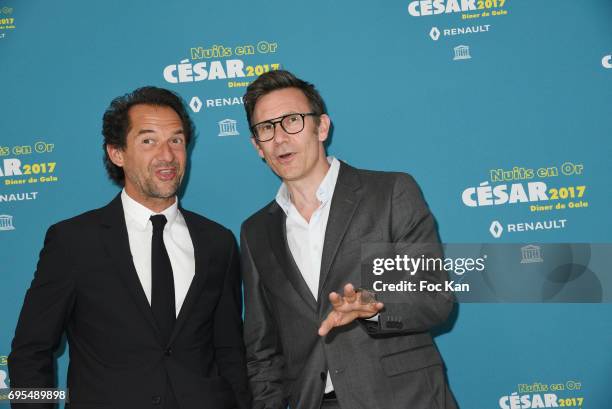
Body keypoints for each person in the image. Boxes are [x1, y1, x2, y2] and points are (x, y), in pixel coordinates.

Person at [9, 87, 250, 409]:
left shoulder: (217, 241)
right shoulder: (73, 242)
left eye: (176, 140)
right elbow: (29, 352)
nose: (167, 155)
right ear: (117, 153)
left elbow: (229, 352)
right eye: (148, 141)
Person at [240, 70, 457, 409]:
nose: (279, 137)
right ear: (257, 146)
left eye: (292, 121)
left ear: (321, 127)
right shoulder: (256, 231)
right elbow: (262, 349)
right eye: (266, 128)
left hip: (403, 399)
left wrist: (373, 310)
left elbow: (435, 299)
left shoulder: (390, 193)